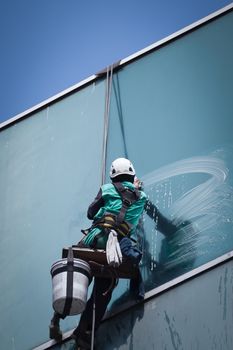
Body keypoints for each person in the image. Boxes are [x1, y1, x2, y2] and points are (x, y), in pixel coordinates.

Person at [50, 157, 147, 349]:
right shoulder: (142, 197)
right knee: (104, 289)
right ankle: (85, 336)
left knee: (75, 272)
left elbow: (90, 212)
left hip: (96, 239)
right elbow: (136, 208)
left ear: (113, 175)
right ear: (132, 173)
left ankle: (56, 319)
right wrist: (137, 189)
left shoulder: (107, 189)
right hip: (116, 249)